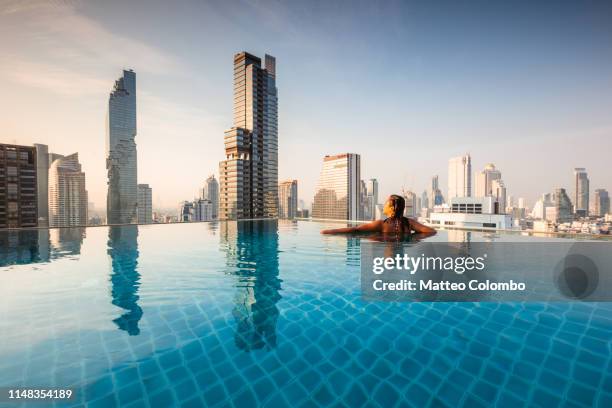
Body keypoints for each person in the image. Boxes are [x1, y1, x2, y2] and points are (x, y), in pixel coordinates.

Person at [321, 194, 436, 235]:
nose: (384, 204)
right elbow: (432, 231)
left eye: (386, 202)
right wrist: (413, 238)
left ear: (391, 208)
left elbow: (355, 230)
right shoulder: (409, 223)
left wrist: (330, 231)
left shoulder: (381, 224)